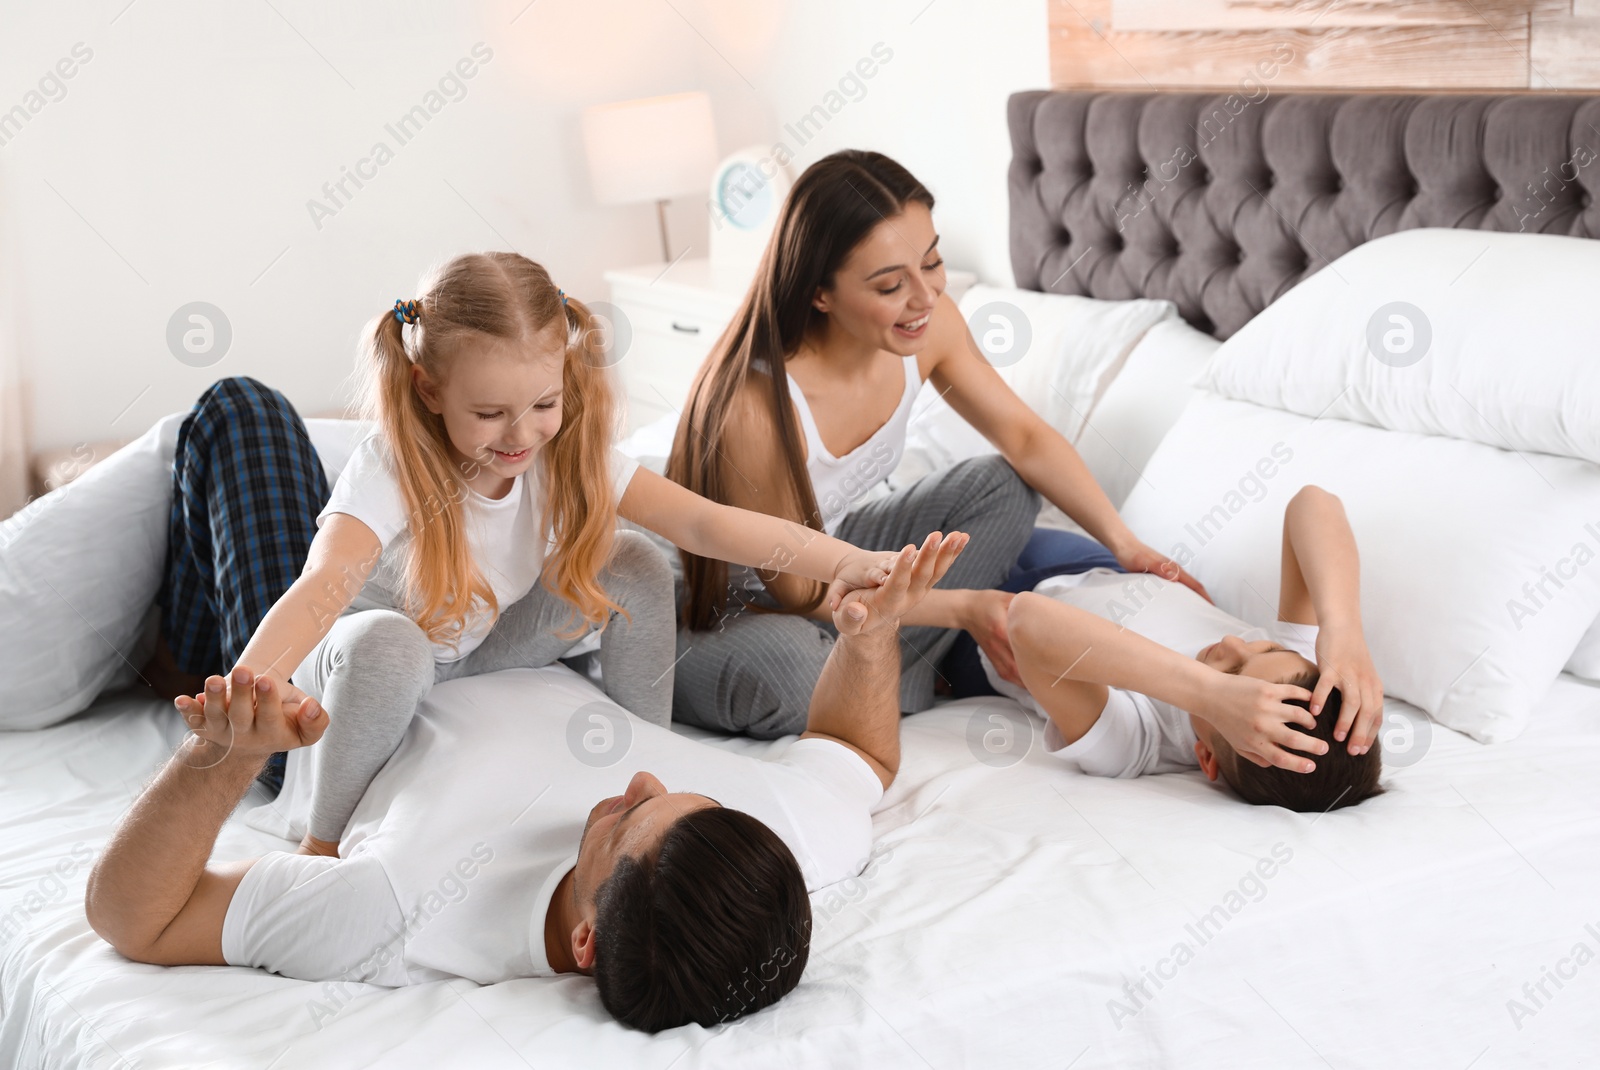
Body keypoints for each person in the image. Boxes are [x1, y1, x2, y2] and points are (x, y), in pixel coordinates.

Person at [153, 252, 900, 860]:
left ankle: (652, 770)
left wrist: (844, 560)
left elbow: (705, 524)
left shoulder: (561, 453)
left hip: (468, 657)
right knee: (391, 641)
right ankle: (324, 846)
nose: (520, 434)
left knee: (635, 561)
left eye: (543, 404)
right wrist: (243, 692)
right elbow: (322, 588)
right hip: (358, 686)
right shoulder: (391, 466)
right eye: (488, 414)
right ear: (430, 389)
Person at [84, 531, 967, 1033]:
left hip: (337, 696)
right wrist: (869, 637)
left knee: (242, 421)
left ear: (587, 945)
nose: (647, 774)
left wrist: (227, 757)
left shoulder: (395, 912)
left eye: (633, 815)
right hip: (502, 627)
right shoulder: (767, 848)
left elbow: (132, 916)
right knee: (629, 563)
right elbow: (860, 758)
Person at [666, 149, 1207, 739]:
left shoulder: (928, 325)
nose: (924, 297)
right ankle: (898, 674)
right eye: (892, 284)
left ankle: (886, 676)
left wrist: (1126, 545)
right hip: (744, 605)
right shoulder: (757, 405)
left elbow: (1024, 436)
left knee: (1001, 485)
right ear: (820, 292)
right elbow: (801, 590)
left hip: (837, 554)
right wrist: (968, 609)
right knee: (799, 675)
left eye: (932, 262)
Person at [999, 486, 1386, 810]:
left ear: (1207, 758)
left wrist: (1210, 694)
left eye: (1232, 677)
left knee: (987, 494)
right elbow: (1313, 502)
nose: (1234, 644)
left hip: (994, 612)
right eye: (1264, 649)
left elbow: (1027, 618)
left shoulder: (1135, 743)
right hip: (1102, 566)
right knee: (1012, 488)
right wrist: (1342, 628)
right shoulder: (1294, 680)